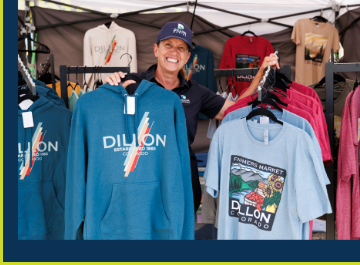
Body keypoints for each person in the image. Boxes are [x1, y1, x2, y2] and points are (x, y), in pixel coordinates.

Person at [104, 21, 280, 214]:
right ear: (156, 49)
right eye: (168, 45)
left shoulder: (196, 92)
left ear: (187, 57)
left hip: (183, 177)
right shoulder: (132, 83)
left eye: (181, 48)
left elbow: (236, 110)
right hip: (142, 178)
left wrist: (261, 72)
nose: (174, 52)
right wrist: (109, 86)